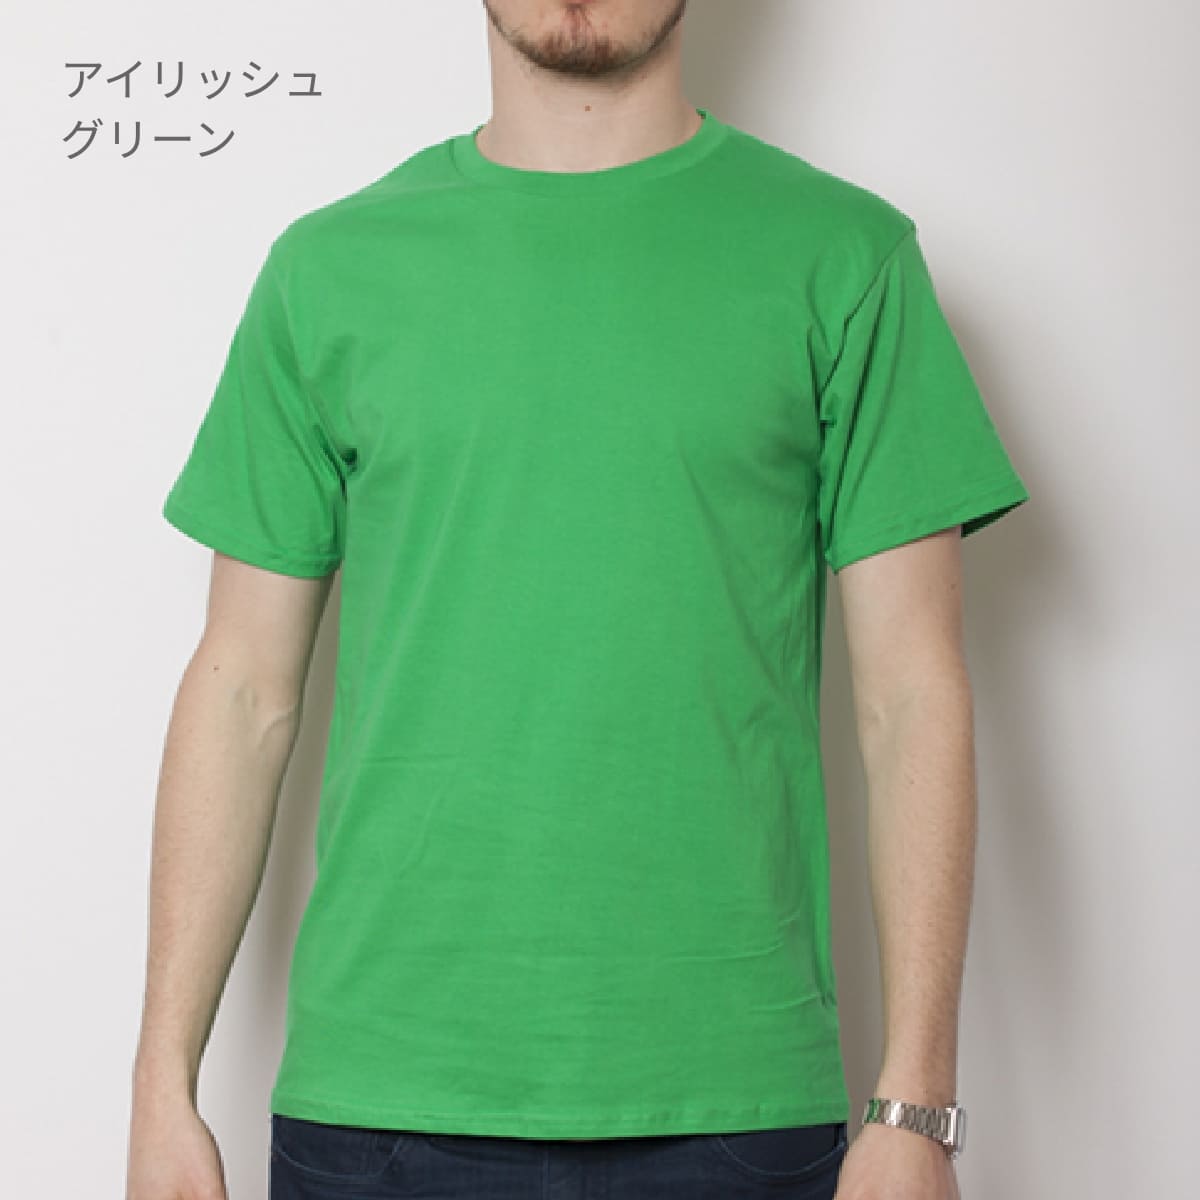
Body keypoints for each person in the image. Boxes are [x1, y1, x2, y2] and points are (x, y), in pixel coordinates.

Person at [125, 2, 1029, 1197]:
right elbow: (241, 688)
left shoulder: (846, 259)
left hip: (732, 1109)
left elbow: (911, 693)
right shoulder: (328, 271)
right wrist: (161, 1085)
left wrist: (916, 1108)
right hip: (380, 1112)